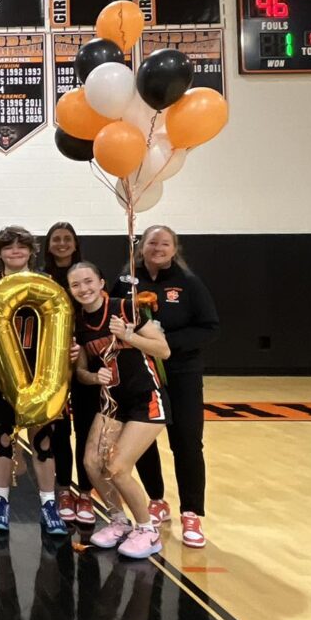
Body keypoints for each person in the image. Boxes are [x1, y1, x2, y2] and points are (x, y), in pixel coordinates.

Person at [114, 225, 219, 548]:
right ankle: (156, 499)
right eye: (152, 243)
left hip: (182, 374)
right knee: (141, 443)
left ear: (175, 249)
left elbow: (208, 327)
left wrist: (163, 343)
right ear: (140, 247)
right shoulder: (126, 281)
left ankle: (191, 512)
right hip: (141, 376)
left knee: (187, 443)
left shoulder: (188, 284)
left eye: (165, 243)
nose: (158, 248)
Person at [68, 261, 172, 558]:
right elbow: (82, 373)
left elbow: (163, 349)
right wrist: (93, 377)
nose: (84, 289)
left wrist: (129, 335)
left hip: (146, 399)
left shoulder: (126, 308)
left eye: (88, 281)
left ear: (101, 282)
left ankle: (148, 529)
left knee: (117, 468)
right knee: (90, 463)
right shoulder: (78, 324)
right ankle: (119, 520)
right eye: (76, 285)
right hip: (113, 402)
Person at [0, 226, 69, 537]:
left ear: (31, 251)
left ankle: (48, 503)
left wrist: (72, 347)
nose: (15, 252)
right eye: (9, 247)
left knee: (42, 441)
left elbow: (63, 325)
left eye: (22, 247)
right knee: (3, 439)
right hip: (0, 373)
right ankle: (1, 501)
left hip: (39, 371)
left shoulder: (47, 284)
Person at [41, 222, 96, 524]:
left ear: (75, 244)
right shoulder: (41, 279)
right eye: (56, 239)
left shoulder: (87, 275)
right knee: (59, 430)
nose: (62, 243)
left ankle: (85, 492)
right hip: (53, 366)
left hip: (86, 361)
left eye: (67, 239)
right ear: (49, 245)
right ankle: (64, 488)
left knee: (87, 428)